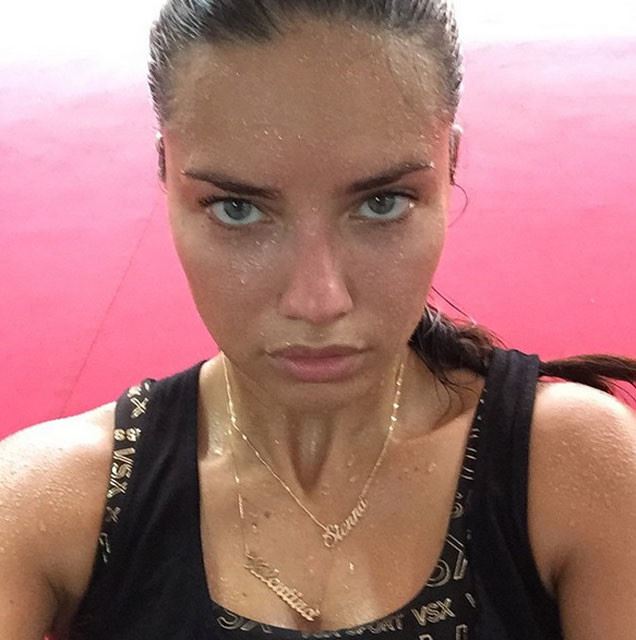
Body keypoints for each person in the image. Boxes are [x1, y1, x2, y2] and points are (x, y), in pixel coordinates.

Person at [1, 1, 635, 638]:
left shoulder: (574, 472)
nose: (317, 300)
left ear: (449, 166)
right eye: (237, 208)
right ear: (165, 174)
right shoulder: (48, 503)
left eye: (383, 203)